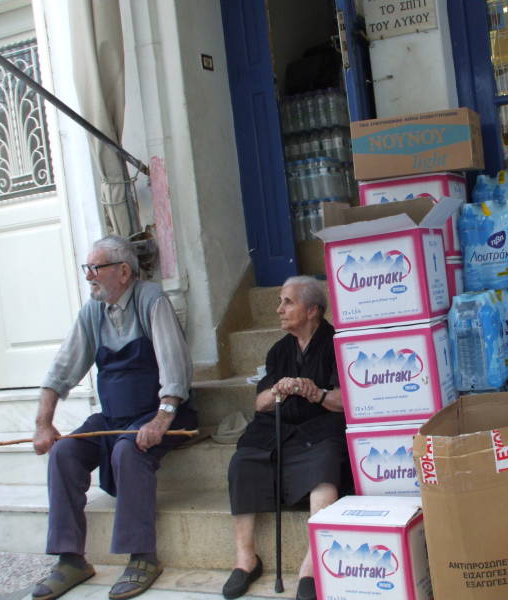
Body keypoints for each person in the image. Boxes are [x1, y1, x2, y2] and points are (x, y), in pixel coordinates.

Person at [31, 235, 197, 600]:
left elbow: (176, 368)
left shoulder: (150, 298)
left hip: (161, 412)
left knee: (129, 451)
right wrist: (44, 422)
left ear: (123, 271)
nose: (89, 276)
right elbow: (61, 370)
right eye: (87, 268)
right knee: (64, 453)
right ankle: (70, 559)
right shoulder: (93, 311)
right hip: (113, 417)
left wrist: (161, 418)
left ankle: (143, 557)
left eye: (96, 268)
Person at [223, 276, 349, 600]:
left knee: (325, 465)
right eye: (279, 301)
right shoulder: (279, 351)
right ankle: (245, 559)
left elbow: (346, 400)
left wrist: (316, 393)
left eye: (287, 302)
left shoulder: (336, 343)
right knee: (243, 460)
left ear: (312, 311)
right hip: (281, 427)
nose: (279, 309)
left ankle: (311, 566)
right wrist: (280, 389)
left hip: (320, 428)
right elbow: (260, 401)